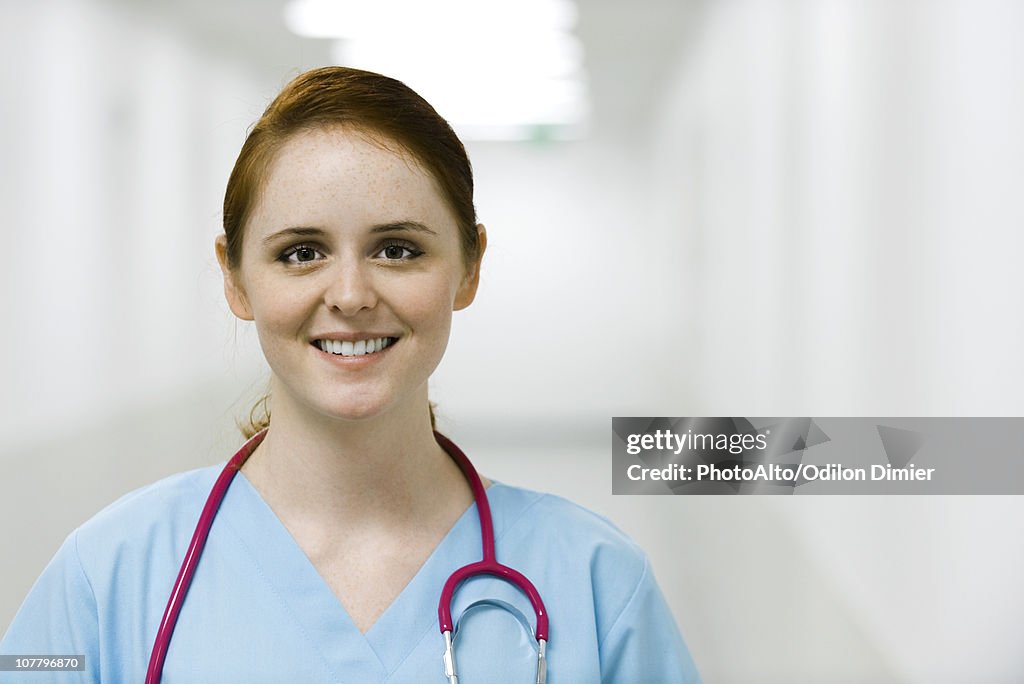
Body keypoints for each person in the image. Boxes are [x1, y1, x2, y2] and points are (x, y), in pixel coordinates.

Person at [0, 67, 700, 683]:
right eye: (301, 253)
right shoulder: (108, 576)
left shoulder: (597, 581)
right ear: (234, 278)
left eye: (397, 249)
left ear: (470, 266)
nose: (351, 294)